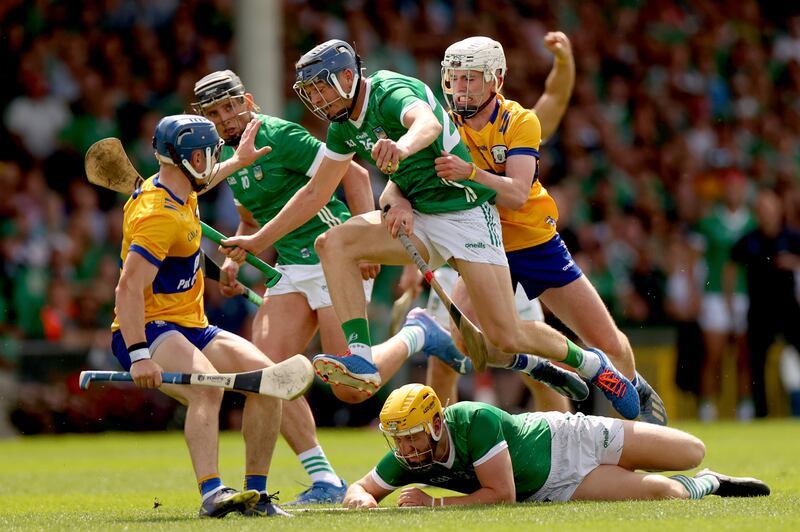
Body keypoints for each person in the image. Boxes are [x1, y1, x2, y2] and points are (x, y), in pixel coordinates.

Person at [222, 39, 640, 420]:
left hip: (466, 217)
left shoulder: (389, 91)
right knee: (333, 241)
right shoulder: (342, 125)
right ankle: (360, 354)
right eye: (309, 92)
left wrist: (401, 147)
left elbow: (427, 123)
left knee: (504, 336)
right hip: (422, 219)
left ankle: (591, 364)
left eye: (321, 87)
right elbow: (316, 193)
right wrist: (259, 240)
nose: (316, 98)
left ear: (349, 77)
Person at [422, 35, 666, 424]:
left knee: (605, 339)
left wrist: (469, 172)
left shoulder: (520, 121)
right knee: (462, 343)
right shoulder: (444, 126)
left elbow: (518, 194)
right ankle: (540, 362)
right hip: (481, 243)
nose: (461, 88)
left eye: (471, 79)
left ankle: (634, 392)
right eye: (455, 79)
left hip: (535, 242)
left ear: (495, 80)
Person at [111, 114, 314, 518]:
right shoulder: (157, 215)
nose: (212, 161)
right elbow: (128, 289)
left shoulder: (182, 190)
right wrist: (138, 354)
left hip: (191, 324)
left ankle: (254, 496)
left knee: (268, 381)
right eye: (208, 154)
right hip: (149, 328)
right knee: (208, 388)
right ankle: (211, 495)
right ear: (188, 158)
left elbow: (186, 240)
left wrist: (238, 161)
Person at [192, 69, 373, 504]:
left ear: (248, 101)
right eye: (215, 113)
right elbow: (252, 221)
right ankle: (325, 479)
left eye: (231, 106)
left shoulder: (279, 135)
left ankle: (418, 333)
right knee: (266, 376)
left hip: (334, 259)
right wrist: (237, 261)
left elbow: (356, 177)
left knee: (349, 386)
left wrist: (366, 240)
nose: (227, 118)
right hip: (291, 268)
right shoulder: (225, 159)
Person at [343, 383, 770, 508]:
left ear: (436, 423)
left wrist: (432, 506)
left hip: (569, 438)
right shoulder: (408, 457)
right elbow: (361, 487)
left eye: (412, 435)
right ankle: (709, 484)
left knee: (691, 451)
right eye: (398, 438)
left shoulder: (474, 419)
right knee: (666, 492)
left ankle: (632, 391)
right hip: (555, 488)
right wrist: (360, 499)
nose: (406, 447)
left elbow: (502, 496)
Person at [731, 188, 800, 417]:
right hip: (760, 310)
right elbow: (730, 266)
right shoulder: (749, 240)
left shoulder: (792, 237)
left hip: (789, 308)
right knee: (756, 364)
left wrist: (794, 262)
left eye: (770, 209)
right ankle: (761, 413)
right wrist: (730, 301)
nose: (767, 214)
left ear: (779, 210)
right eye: (762, 209)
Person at [695, 169, 755, 422]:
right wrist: (694, 293)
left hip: (744, 293)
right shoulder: (709, 222)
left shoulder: (753, 222)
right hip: (715, 294)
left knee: (744, 355)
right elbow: (695, 259)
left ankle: (745, 406)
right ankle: (707, 406)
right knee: (714, 355)